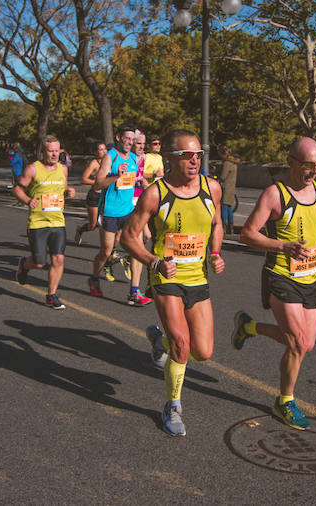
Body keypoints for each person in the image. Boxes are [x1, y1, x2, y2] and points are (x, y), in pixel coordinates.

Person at [233, 137, 316, 430]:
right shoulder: (274, 195)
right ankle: (285, 401)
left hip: (310, 277)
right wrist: (282, 246)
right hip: (280, 275)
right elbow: (248, 235)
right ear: (290, 161)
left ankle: (248, 327)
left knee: (306, 343)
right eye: (307, 165)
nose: (313, 171)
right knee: (298, 343)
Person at [121, 130, 225, 437]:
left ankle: (158, 341)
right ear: (169, 158)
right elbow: (128, 237)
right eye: (186, 155)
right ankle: (173, 405)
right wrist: (154, 262)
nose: (194, 161)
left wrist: (216, 253)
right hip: (165, 277)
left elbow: (217, 223)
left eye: (197, 155)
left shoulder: (212, 188)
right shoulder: (156, 193)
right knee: (182, 344)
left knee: (202, 351)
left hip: (198, 277)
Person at [88, 124, 152, 306]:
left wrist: (140, 181)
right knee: (106, 251)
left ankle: (134, 291)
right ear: (118, 137)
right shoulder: (110, 157)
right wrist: (116, 175)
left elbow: (131, 180)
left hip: (128, 211)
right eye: (127, 138)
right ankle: (94, 278)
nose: (130, 142)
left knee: (137, 248)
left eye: (132, 139)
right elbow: (98, 184)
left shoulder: (133, 158)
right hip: (110, 212)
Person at [13, 135, 76, 309]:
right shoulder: (33, 169)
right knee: (39, 262)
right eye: (51, 151)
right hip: (38, 222)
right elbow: (18, 189)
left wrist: (68, 192)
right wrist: (27, 200)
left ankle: (52, 295)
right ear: (42, 151)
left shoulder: (63, 169)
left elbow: (62, 188)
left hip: (57, 221)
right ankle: (24, 265)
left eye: (57, 150)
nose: (55, 154)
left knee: (58, 259)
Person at [74, 141, 107, 246]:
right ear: (95, 152)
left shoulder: (108, 162)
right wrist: (98, 182)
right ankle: (80, 230)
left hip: (106, 196)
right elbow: (83, 179)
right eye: (100, 149)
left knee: (106, 223)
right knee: (93, 225)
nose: (103, 151)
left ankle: (109, 249)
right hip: (94, 196)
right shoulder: (94, 163)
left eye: (104, 149)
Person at [217, 144, 238, 236]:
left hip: (225, 187)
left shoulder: (226, 164)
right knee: (229, 207)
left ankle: (224, 227)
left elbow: (223, 176)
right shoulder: (234, 164)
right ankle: (231, 228)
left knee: (224, 207)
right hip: (232, 188)